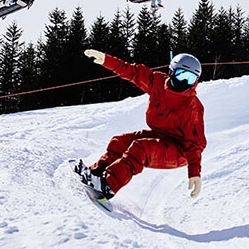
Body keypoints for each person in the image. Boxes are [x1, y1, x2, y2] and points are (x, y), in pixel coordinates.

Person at [78, 49, 206, 201]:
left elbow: (194, 144)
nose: (184, 82)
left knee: (141, 148)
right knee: (120, 142)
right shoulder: (157, 82)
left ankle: (107, 186)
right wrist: (106, 60)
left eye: (190, 78)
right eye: (181, 75)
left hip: (181, 150)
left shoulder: (191, 106)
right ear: (171, 72)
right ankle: (96, 173)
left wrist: (194, 173)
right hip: (162, 135)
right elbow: (132, 72)